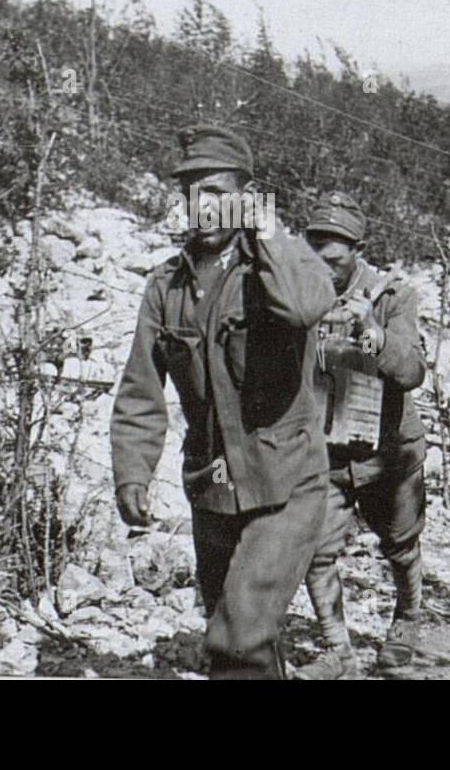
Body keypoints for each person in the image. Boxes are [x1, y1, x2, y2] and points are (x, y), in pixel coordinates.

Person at [110, 125, 337, 679]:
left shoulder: (278, 269)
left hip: (285, 483)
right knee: (233, 630)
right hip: (213, 488)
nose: (200, 205)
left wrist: (268, 232)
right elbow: (142, 386)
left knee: (237, 638)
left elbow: (309, 305)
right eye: (190, 192)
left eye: (214, 191)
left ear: (246, 194)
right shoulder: (167, 286)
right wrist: (132, 474)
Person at [295, 191, 430, 679]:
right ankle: (339, 651)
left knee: (399, 544)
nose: (323, 269)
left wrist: (373, 333)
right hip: (325, 452)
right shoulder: (298, 289)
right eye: (315, 256)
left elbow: (412, 370)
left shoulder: (394, 295)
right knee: (315, 552)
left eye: (333, 261)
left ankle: (408, 616)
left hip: (387, 451)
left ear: (358, 250)